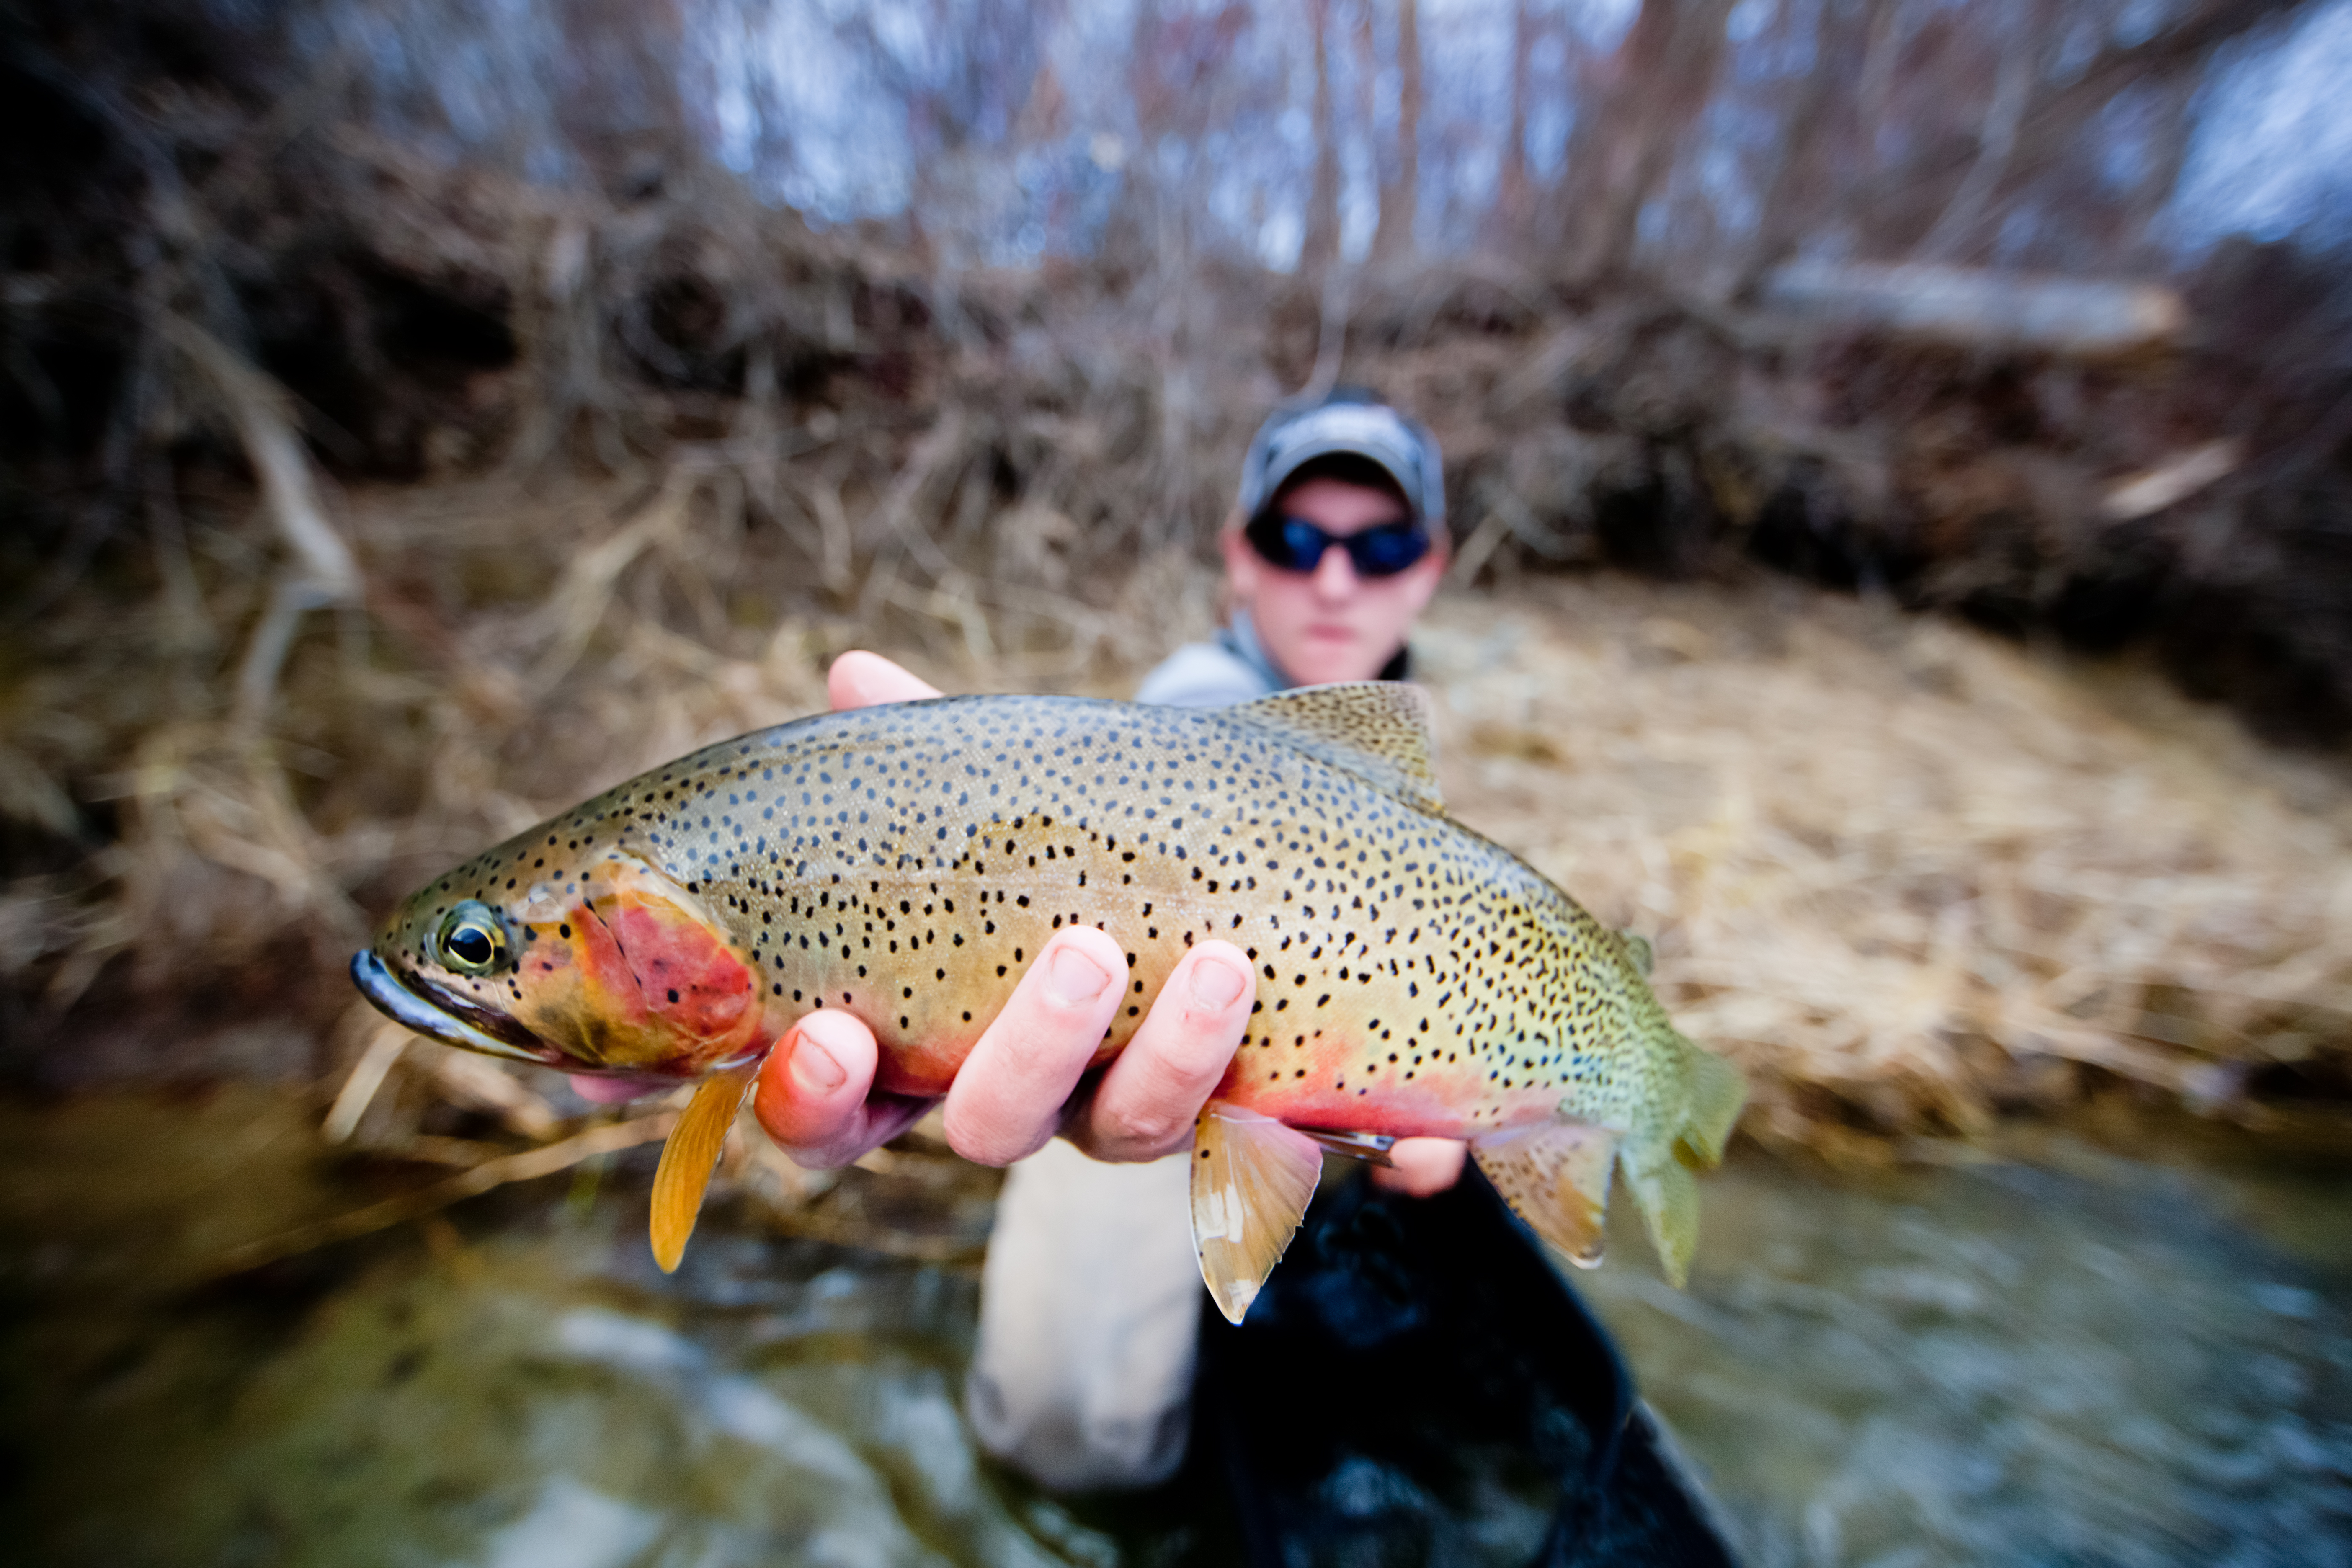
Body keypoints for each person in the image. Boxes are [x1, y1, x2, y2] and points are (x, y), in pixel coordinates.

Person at [748, 390, 1466, 1487]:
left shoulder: (1397, 754)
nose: (1332, 578)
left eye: (1379, 547)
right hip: (1126, 1067)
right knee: (1067, 1432)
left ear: (1428, 567)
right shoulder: (1198, 702)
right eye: (1295, 539)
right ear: (1240, 557)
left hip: (1291, 1087)